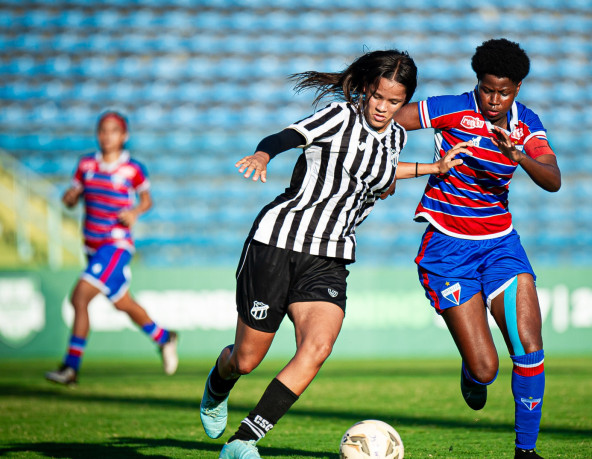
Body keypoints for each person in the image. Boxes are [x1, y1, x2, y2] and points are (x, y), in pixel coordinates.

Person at [199, 50, 461, 459]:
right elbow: (287, 137)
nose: (383, 107)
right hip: (278, 243)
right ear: (365, 89)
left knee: (318, 347)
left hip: (330, 257)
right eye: (377, 97)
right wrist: (263, 154)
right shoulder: (339, 116)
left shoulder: (396, 137)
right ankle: (219, 381)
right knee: (246, 360)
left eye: (394, 102)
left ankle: (243, 441)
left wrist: (432, 168)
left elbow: (383, 170)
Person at [393, 38, 561, 459]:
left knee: (528, 343)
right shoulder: (451, 108)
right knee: (486, 368)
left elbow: (553, 179)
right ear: (478, 83)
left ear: (517, 88)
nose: (494, 99)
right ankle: (473, 370)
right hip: (447, 249)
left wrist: (520, 156)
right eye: (487, 89)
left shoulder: (527, 125)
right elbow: (390, 120)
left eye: (504, 91)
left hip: (500, 244)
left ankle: (525, 452)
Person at [45, 111, 178, 386]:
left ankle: (70, 368)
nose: (107, 136)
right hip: (92, 247)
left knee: (79, 298)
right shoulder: (85, 165)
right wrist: (69, 197)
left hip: (115, 245)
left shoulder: (132, 168)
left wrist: (134, 212)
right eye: (103, 131)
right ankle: (165, 338)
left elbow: (146, 200)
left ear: (124, 136)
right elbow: (72, 197)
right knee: (123, 303)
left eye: (113, 131)